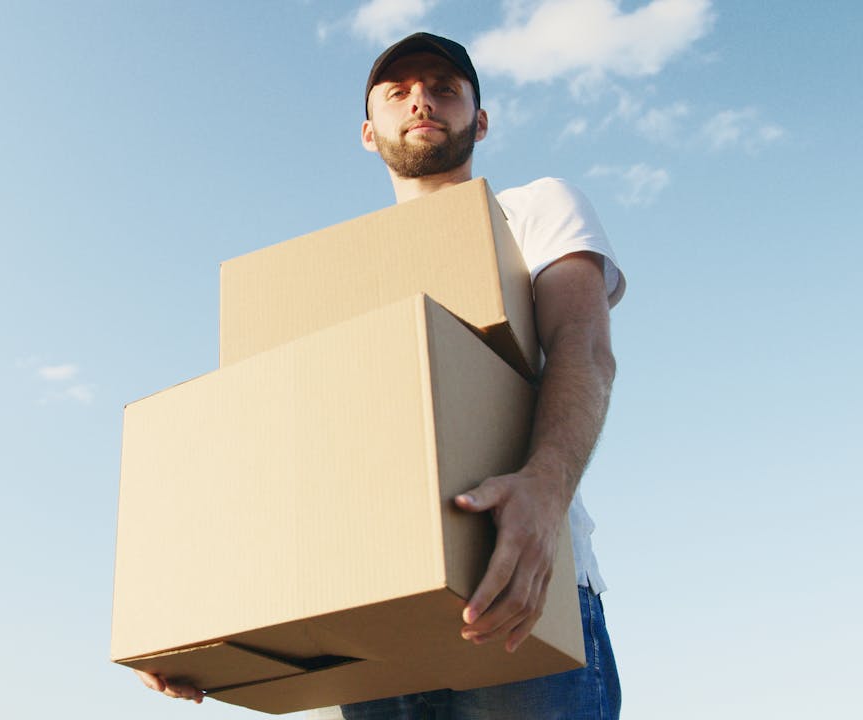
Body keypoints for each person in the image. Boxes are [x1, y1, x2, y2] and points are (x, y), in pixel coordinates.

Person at [136, 32, 624, 720]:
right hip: (367, 624)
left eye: (445, 88)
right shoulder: (336, 277)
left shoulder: (534, 207)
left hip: (517, 591)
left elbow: (583, 346)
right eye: (398, 92)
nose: (421, 99)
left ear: (479, 120)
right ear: (370, 132)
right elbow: (274, 444)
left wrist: (546, 487)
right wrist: (203, 621)